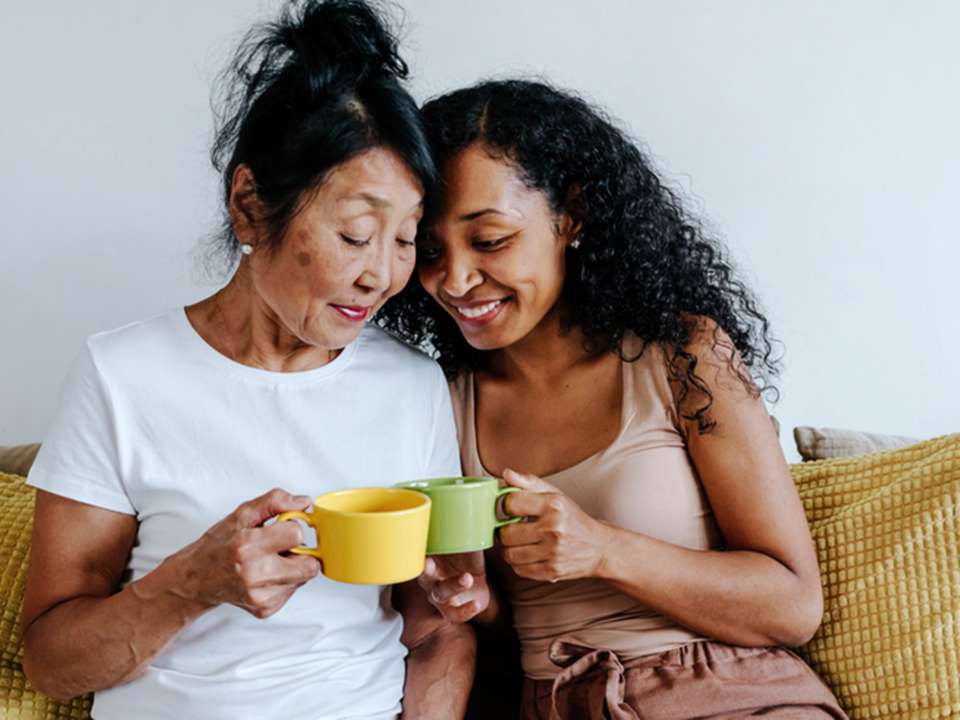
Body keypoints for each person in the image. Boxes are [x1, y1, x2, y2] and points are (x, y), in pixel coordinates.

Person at [21, 2, 474, 718]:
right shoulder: (122, 376)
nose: (381, 275)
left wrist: (451, 598)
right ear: (249, 205)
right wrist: (189, 585)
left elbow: (437, 633)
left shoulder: (413, 387)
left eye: (405, 238)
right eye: (357, 234)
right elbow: (51, 662)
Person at [378, 80, 849, 719]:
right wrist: (470, 600)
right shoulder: (440, 398)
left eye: (489, 241)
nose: (455, 279)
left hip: (731, 697)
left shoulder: (682, 355)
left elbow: (792, 606)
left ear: (570, 215)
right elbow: (503, 623)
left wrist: (602, 549)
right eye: (429, 250)